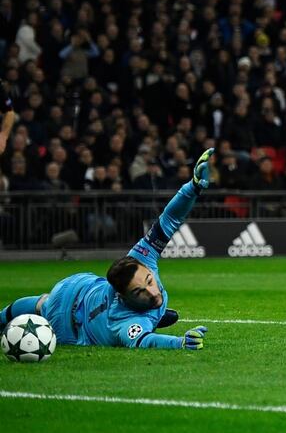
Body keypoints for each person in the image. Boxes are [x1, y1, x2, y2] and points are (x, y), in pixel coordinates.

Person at [0, 149, 215, 350]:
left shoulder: (141, 257)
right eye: (139, 292)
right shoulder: (122, 320)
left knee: (44, 300)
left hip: (86, 285)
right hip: (65, 315)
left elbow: (169, 219)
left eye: (149, 281)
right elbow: (143, 340)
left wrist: (193, 186)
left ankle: (155, 317)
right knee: (43, 304)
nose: (152, 291)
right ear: (122, 297)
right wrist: (179, 342)